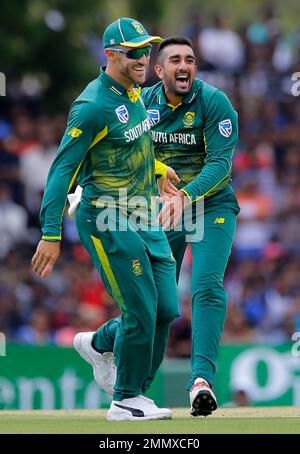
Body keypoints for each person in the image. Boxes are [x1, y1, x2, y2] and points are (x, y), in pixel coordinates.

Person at [77, 36, 240, 417]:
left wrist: (185, 196)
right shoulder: (141, 103)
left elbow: (221, 165)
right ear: (159, 70)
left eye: (191, 60)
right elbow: (114, 153)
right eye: (175, 60)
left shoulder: (215, 102)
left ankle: (201, 381)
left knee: (207, 285)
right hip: (159, 209)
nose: (184, 66)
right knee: (156, 305)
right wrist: (84, 189)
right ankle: (104, 347)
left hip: (210, 206)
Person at [31, 18, 180, 421]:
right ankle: (124, 400)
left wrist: (159, 170)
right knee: (142, 312)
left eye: (146, 51)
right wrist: (50, 231)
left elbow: (125, 151)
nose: (143, 59)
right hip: (107, 218)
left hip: (144, 214)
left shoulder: (134, 93)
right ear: (111, 55)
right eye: (134, 52)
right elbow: (62, 170)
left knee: (166, 308)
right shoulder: (92, 105)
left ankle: (99, 344)